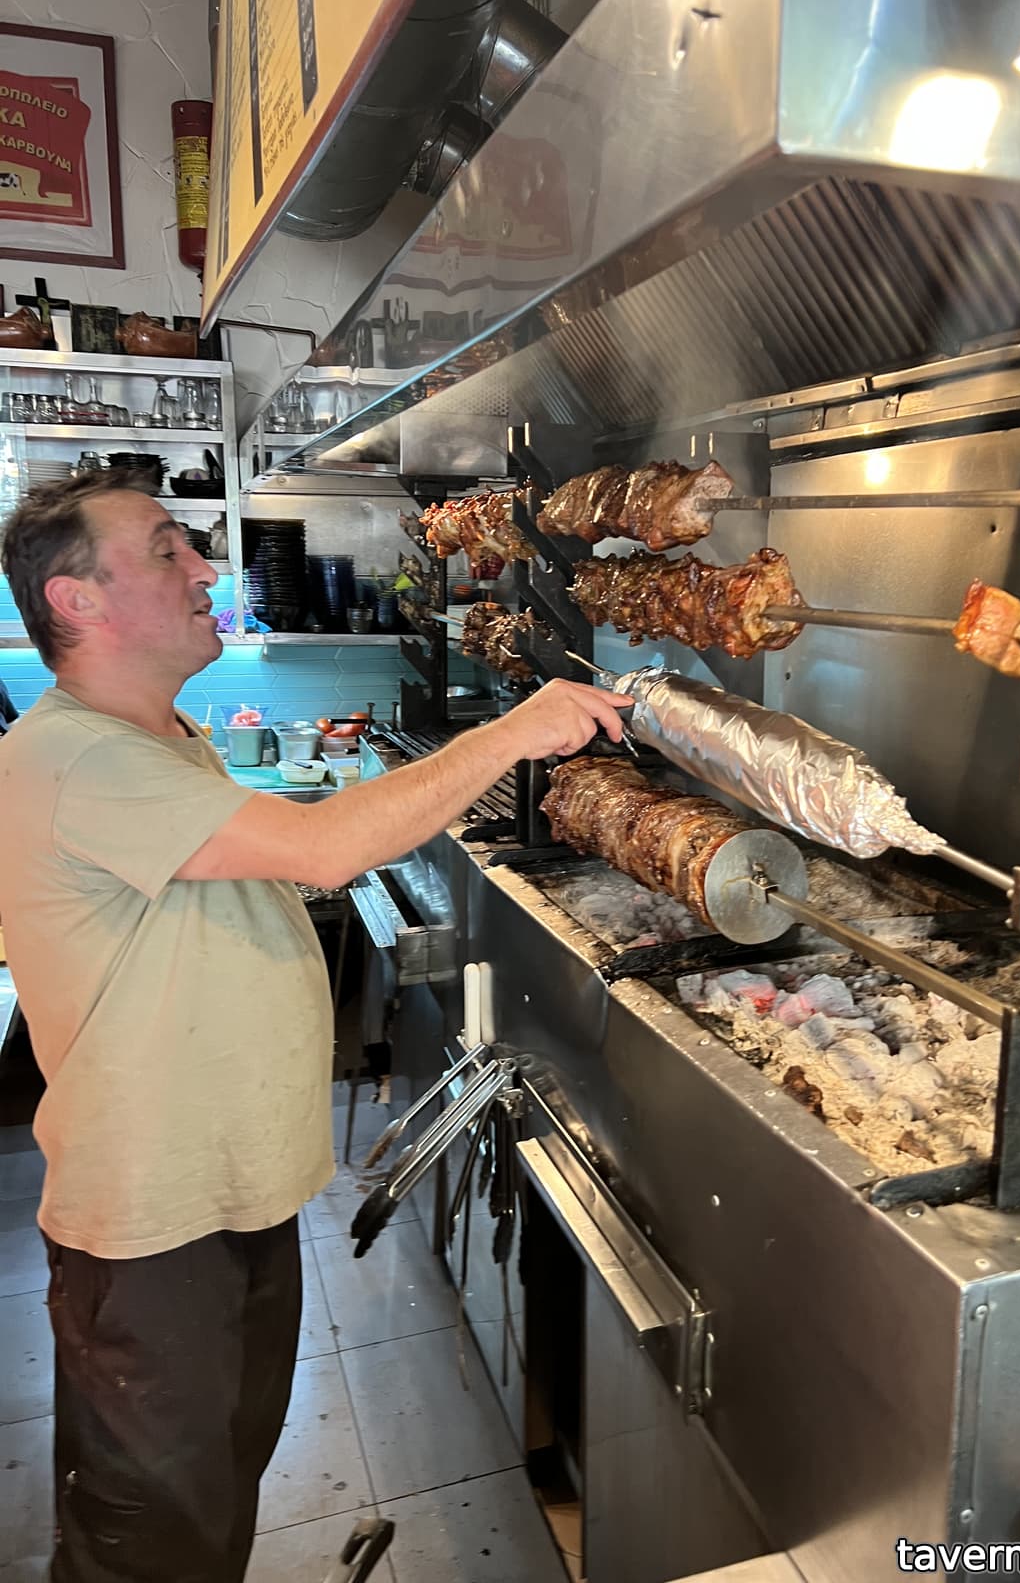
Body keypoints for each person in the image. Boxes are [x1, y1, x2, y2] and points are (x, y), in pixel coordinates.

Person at [0, 468, 630, 1583]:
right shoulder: (75, 755)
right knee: (149, 1538)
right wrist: (516, 729)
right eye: (166, 550)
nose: (205, 570)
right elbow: (325, 849)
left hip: (225, 1196)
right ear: (75, 599)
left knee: (214, 1493)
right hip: (152, 1225)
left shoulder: (157, 735)